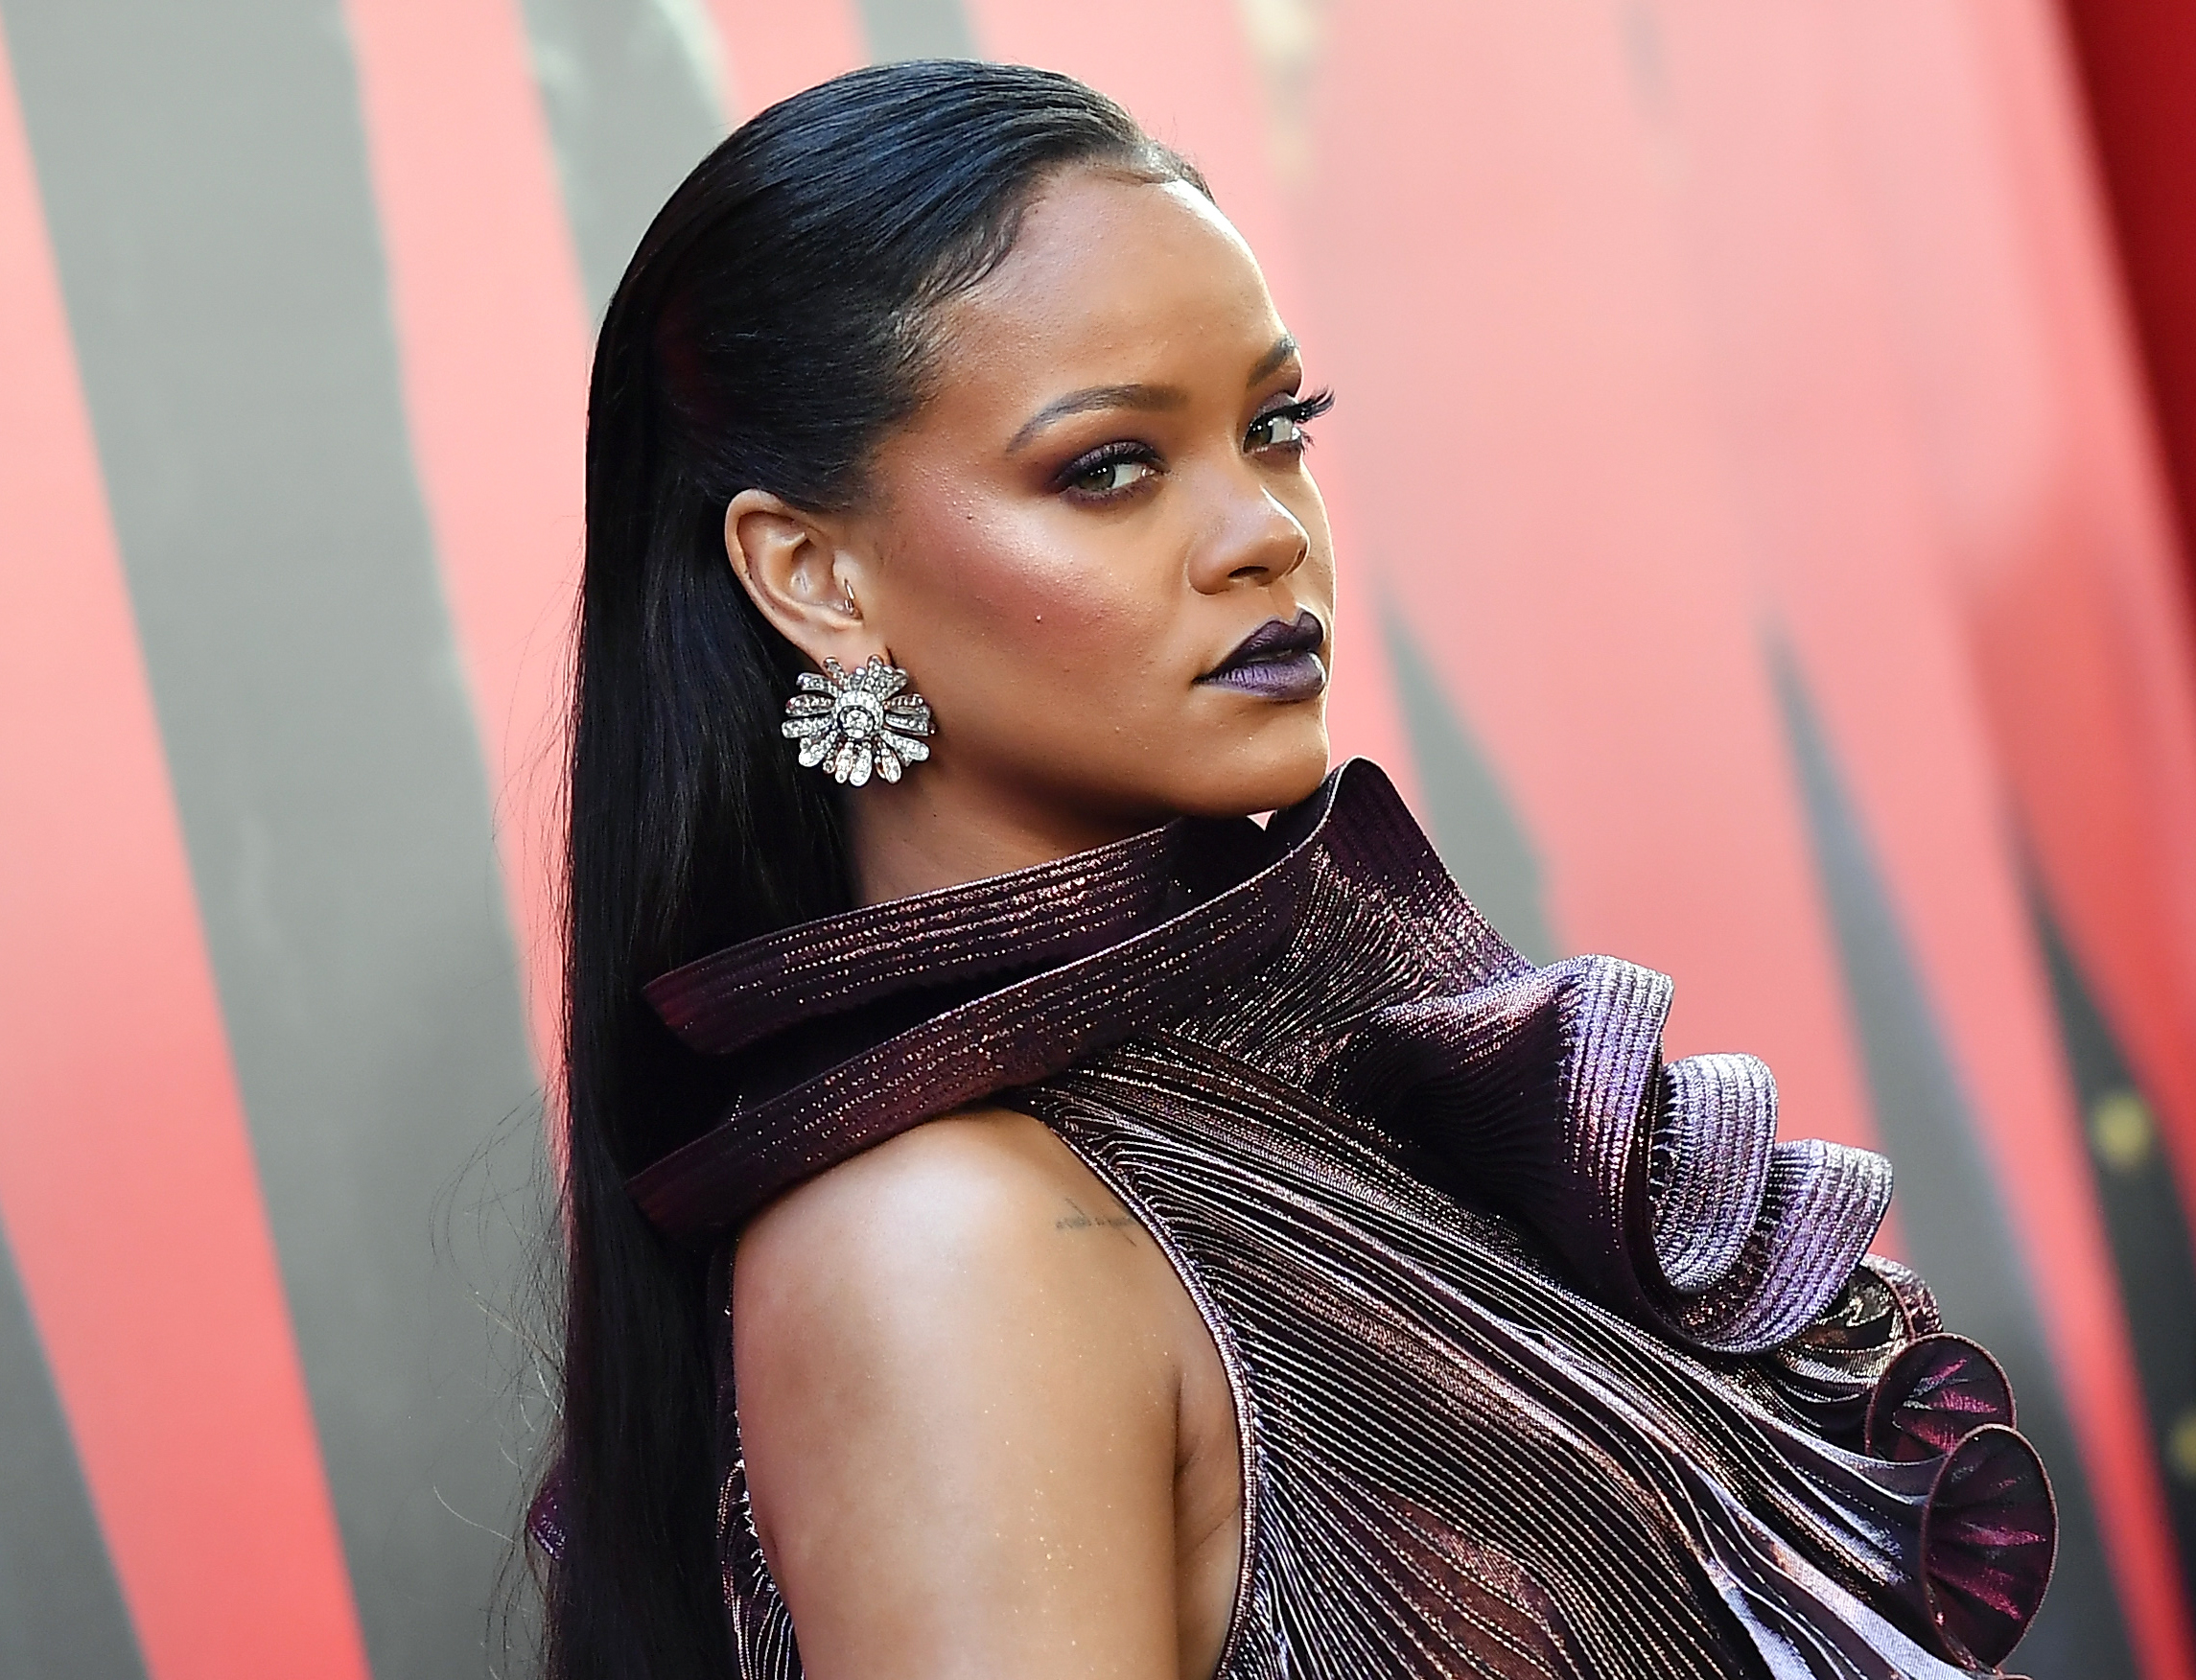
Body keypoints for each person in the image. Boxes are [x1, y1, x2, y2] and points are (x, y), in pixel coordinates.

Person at [537, 58, 2053, 1680]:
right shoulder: (948, 1246)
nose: (1263, 530)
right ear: (815, 576)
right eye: (1108, 466)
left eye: (1274, 429)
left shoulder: (1315, 1105)